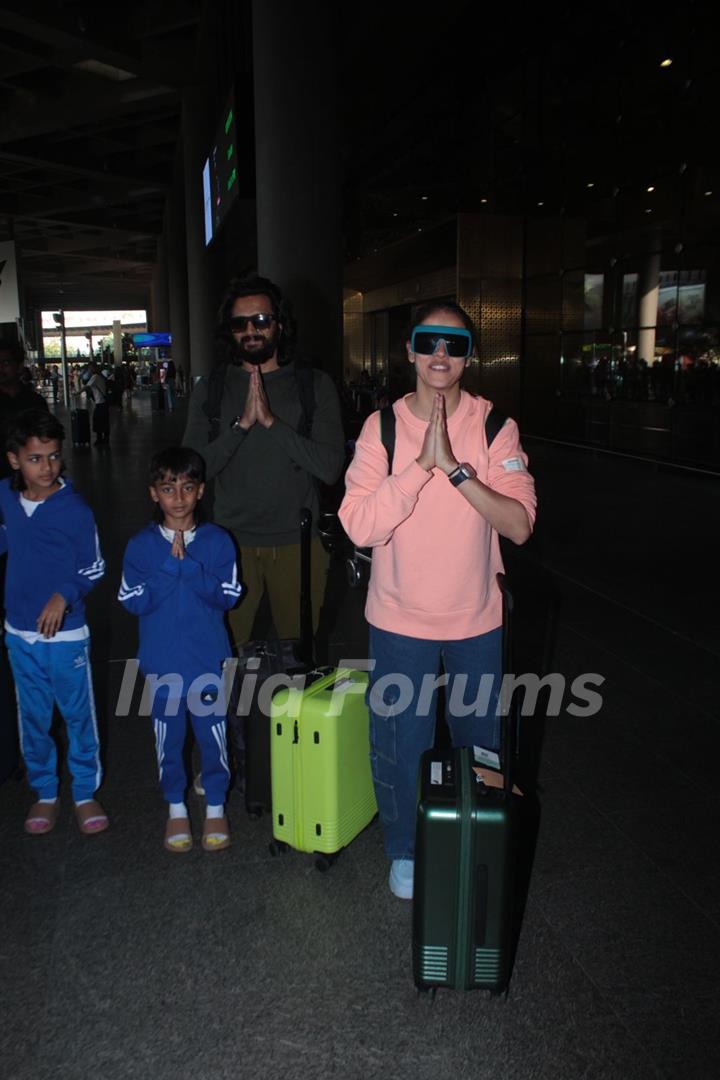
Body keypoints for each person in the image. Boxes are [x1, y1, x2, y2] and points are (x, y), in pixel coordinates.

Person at [339, 301, 537, 900]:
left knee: (480, 742)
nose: (441, 356)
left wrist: (456, 470)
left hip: (477, 618)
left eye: (454, 344)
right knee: (401, 744)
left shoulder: (496, 425)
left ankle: (475, 840)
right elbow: (359, 524)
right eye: (429, 342)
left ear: (470, 355)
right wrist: (421, 464)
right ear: (410, 352)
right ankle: (405, 848)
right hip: (399, 619)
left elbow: (520, 524)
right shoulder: (384, 428)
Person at [183, 271, 345, 647]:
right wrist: (241, 427)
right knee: (220, 651)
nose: (250, 330)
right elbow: (192, 471)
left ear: (280, 324)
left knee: (298, 655)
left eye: (260, 320)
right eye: (240, 323)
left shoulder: (313, 385)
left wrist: (271, 423)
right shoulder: (212, 389)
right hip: (227, 543)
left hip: (298, 543)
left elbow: (330, 467)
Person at [118, 446, 243, 853]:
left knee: (213, 735)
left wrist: (189, 567)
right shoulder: (140, 547)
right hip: (164, 668)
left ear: (200, 491)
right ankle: (175, 807)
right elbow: (132, 599)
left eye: (187, 487)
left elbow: (228, 595)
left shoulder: (218, 542)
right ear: (154, 493)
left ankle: (216, 806)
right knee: (168, 739)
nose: (178, 497)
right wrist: (169, 569)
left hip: (207, 663)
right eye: (168, 488)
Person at [0, 409, 108, 835]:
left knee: (78, 714)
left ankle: (84, 791)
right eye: (35, 458)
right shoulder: (6, 498)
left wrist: (64, 595)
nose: (47, 467)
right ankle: (45, 791)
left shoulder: (75, 510)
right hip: (20, 634)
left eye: (54, 457)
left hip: (66, 636)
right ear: (14, 460)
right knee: (33, 716)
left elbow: (94, 566)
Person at [0, 341, 48, 481]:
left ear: (19, 366)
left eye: (6, 363)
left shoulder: (35, 401)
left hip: (28, 478)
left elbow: (46, 437)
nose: (0, 368)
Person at [84, 361, 110, 445]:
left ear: (94, 368)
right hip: (104, 402)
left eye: (90, 368)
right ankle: (105, 438)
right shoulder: (100, 376)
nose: (89, 369)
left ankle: (100, 439)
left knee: (98, 421)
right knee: (104, 421)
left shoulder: (95, 377)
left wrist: (77, 393)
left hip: (100, 403)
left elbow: (86, 386)